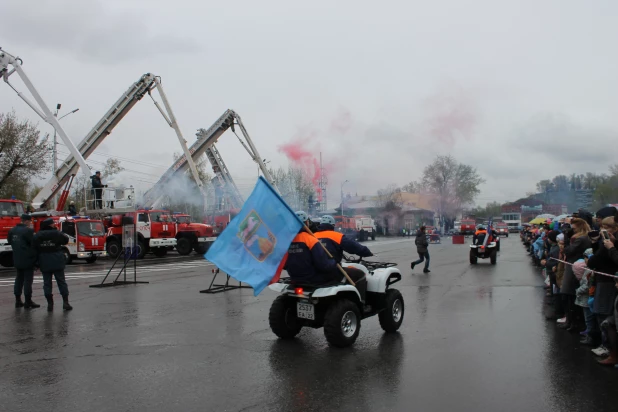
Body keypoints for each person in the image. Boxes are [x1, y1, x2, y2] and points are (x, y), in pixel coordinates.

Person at [285, 211, 366, 300]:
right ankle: (359, 303)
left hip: (295, 278)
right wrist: (334, 262)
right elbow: (324, 265)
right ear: (307, 223)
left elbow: (284, 265)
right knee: (358, 274)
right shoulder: (311, 240)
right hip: (314, 279)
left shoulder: (287, 241)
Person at [559, 217, 592, 331]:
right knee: (570, 295)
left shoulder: (580, 239)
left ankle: (573, 322)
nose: (571, 230)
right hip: (576, 266)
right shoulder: (584, 237)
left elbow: (569, 251)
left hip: (574, 267)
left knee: (568, 294)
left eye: (573, 228)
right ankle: (572, 321)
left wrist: (567, 240)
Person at [33, 218, 72, 311]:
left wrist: (36, 263)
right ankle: (65, 302)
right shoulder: (56, 233)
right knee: (61, 282)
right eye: (53, 224)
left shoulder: (37, 235)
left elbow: (34, 248)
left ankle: (50, 304)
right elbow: (66, 240)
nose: (55, 224)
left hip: (44, 261)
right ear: (50, 225)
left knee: (47, 283)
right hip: (57, 260)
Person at [7, 214, 40, 309]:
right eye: (30, 221)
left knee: (18, 279)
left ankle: (18, 300)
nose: (30, 223)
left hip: (17, 258)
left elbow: (10, 241)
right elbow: (33, 244)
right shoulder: (28, 231)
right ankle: (28, 301)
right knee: (27, 281)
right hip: (28, 259)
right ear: (26, 221)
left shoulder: (12, 230)